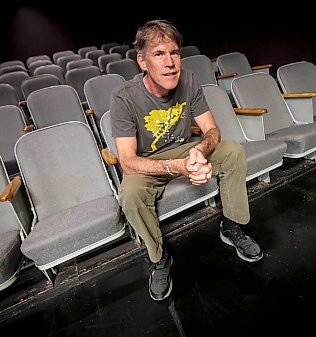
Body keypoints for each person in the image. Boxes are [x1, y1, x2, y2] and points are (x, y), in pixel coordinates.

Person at [110, 19, 262, 301]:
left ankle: (231, 226)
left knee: (232, 151)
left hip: (183, 150)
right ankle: (158, 258)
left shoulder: (189, 79)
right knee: (129, 193)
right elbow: (127, 162)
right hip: (149, 163)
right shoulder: (124, 97)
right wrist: (174, 167)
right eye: (159, 54)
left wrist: (199, 151)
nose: (170, 63)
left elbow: (213, 131)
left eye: (174, 53)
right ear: (142, 61)